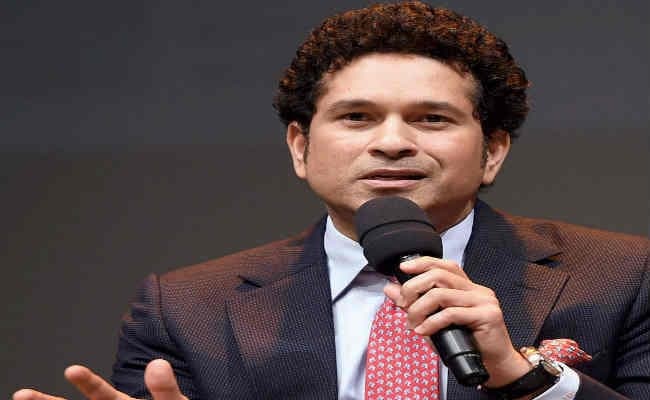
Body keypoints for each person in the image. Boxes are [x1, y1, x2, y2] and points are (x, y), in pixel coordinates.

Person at [13, 2, 649, 400]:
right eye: (356, 117)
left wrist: (527, 378)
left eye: (431, 119)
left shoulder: (625, 276)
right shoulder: (185, 309)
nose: (392, 143)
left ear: (493, 151)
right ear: (300, 147)